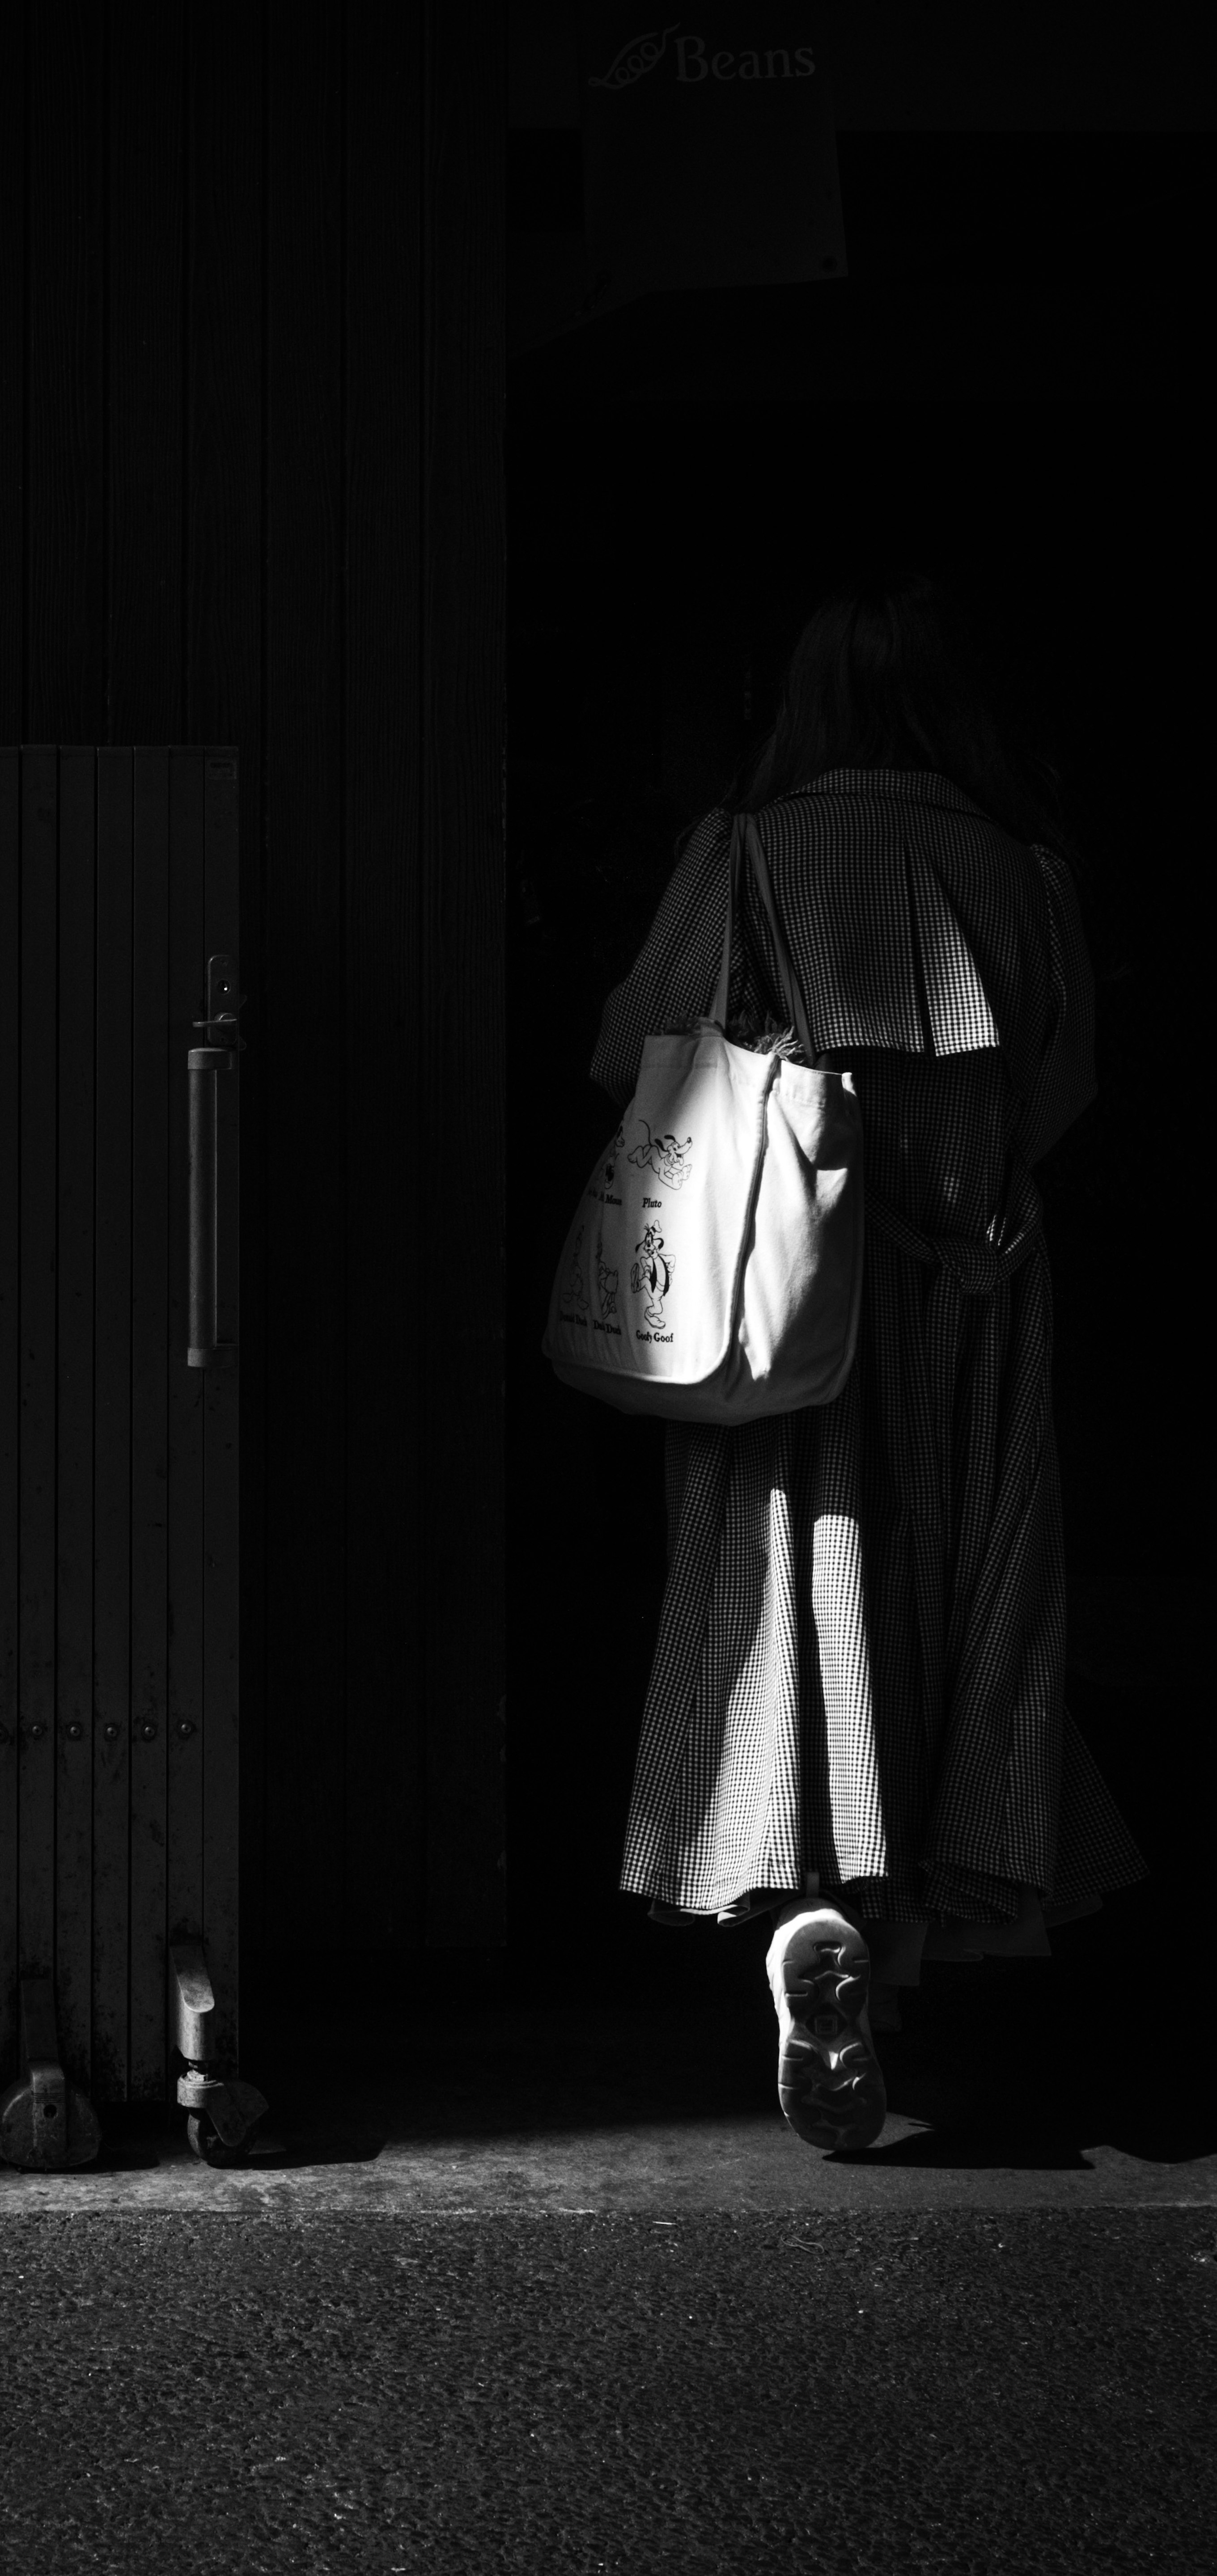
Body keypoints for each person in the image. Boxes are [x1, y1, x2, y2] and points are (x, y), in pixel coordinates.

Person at [585, 571, 1144, 2151]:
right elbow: (1068, 1086)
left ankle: (805, 1914)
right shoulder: (1030, 872)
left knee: (791, 1596)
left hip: (787, 1313)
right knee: (968, 1599)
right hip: (976, 1292)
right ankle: (896, 1955)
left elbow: (634, 1049)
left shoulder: (747, 852)